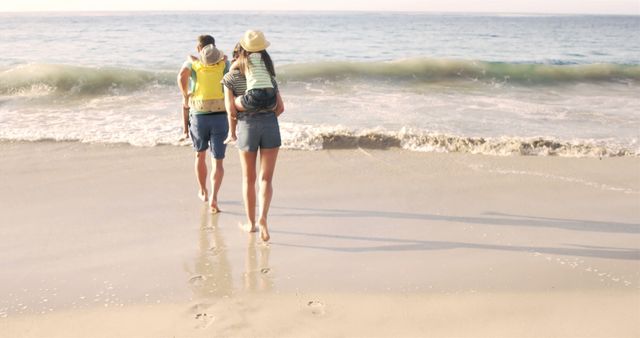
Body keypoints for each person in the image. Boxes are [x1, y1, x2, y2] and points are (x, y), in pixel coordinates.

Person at [222, 38, 284, 242]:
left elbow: (230, 109)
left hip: (248, 126)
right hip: (270, 125)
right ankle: (263, 219)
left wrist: (234, 130)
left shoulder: (231, 77)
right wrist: (266, 117)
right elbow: (280, 108)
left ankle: (251, 224)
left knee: (249, 179)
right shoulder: (269, 75)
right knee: (266, 179)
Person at [177, 35, 230, 213]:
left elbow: (181, 75)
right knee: (218, 161)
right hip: (221, 116)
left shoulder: (194, 65)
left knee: (200, 155)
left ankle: (203, 191)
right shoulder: (223, 64)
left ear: (199, 49)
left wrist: (186, 94)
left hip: (199, 116)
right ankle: (214, 198)